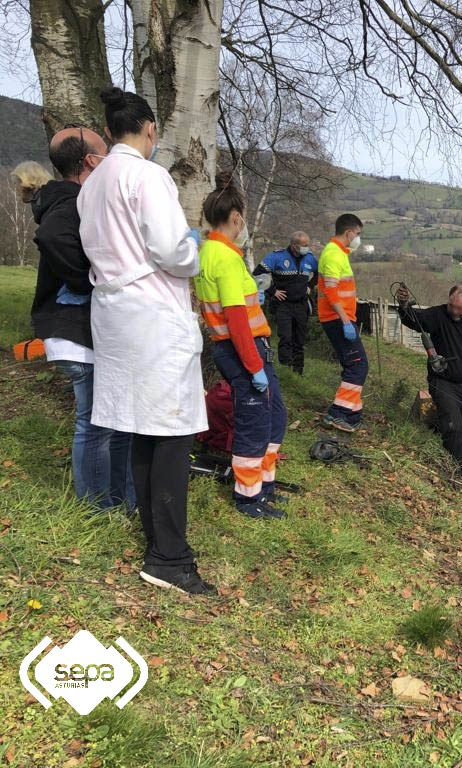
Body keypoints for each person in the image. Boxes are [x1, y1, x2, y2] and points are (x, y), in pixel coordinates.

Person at [78, 87, 214, 595]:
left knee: (139, 426)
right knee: (173, 433)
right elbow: (169, 250)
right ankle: (170, 558)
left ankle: (157, 541)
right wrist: (193, 249)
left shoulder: (93, 183)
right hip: (153, 314)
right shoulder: (147, 174)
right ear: (150, 129)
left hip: (114, 312)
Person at [30, 126, 134, 510]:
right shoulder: (73, 200)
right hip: (75, 330)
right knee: (96, 422)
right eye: (107, 152)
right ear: (91, 161)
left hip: (87, 331)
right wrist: (92, 278)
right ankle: (96, 506)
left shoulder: (74, 197)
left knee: (114, 421)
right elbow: (54, 237)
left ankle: (121, 498)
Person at [195, 172, 287, 519]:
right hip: (244, 350)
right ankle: (248, 497)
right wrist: (254, 367)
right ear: (236, 217)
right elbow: (236, 319)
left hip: (237, 348)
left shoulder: (208, 252)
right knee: (254, 423)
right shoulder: (226, 258)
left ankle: (264, 486)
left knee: (275, 416)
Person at [395, 284, 462, 474]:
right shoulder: (437, 315)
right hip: (443, 381)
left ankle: (457, 456)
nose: (453, 311)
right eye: (451, 306)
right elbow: (413, 320)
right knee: (454, 426)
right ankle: (459, 469)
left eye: (458, 308)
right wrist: (403, 306)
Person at [318, 213, 368, 432]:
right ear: (348, 232)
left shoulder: (338, 253)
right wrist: (346, 320)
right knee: (358, 366)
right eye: (357, 234)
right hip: (339, 320)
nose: (358, 238)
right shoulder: (333, 254)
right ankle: (337, 414)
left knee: (353, 365)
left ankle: (353, 414)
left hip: (340, 319)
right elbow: (331, 290)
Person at [254, 231, 317, 374]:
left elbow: (320, 273)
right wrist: (272, 290)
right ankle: (285, 370)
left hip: (301, 305)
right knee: (286, 338)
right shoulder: (277, 257)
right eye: (304, 245)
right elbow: (258, 273)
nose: (307, 248)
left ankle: (298, 371)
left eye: (308, 245)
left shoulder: (309, 258)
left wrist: (310, 286)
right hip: (283, 305)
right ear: (294, 245)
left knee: (299, 340)